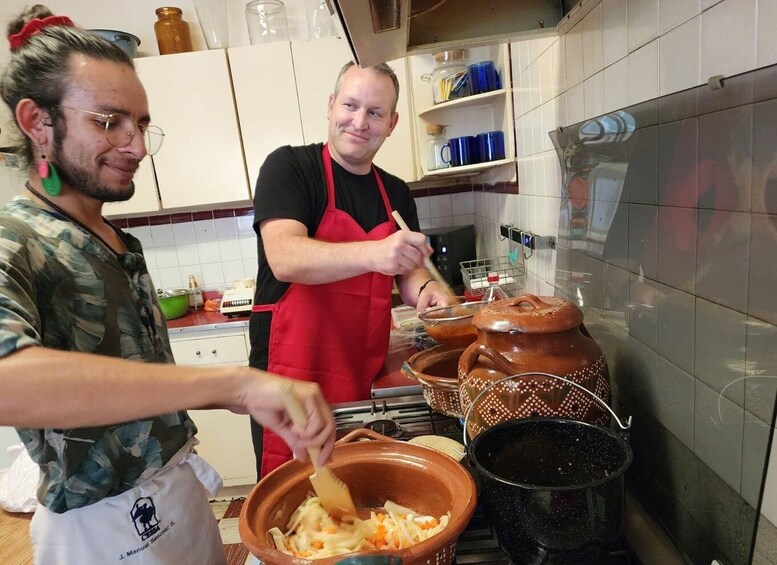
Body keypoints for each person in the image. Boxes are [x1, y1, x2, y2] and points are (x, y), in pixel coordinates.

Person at [0, 6, 335, 564]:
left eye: (141, 124)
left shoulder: (112, 236)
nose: (134, 145)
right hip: (98, 527)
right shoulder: (15, 238)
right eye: (108, 122)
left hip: (177, 493)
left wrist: (241, 400)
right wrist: (230, 384)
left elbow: (136, 384)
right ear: (39, 123)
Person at [249, 61, 455, 478]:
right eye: (350, 105)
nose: (360, 122)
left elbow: (409, 271)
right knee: (296, 496)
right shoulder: (290, 168)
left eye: (375, 112)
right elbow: (285, 257)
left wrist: (426, 288)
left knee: (353, 485)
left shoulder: (395, 191)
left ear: (392, 123)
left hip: (359, 371)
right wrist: (374, 252)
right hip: (292, 374)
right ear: (330, 106)